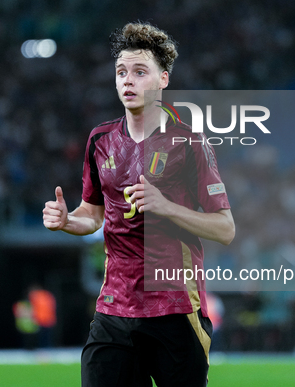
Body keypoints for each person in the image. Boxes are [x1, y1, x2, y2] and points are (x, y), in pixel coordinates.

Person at [43, 22, 234, 386]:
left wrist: (165, 206)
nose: (127, 80)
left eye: (139, 72)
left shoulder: (190, 143)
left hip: (175, 308)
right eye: (121, 72)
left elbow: (225, 228)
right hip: (114, 308)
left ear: (163, 79)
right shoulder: (100, 140)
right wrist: (67, 220)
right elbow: (93, 214)